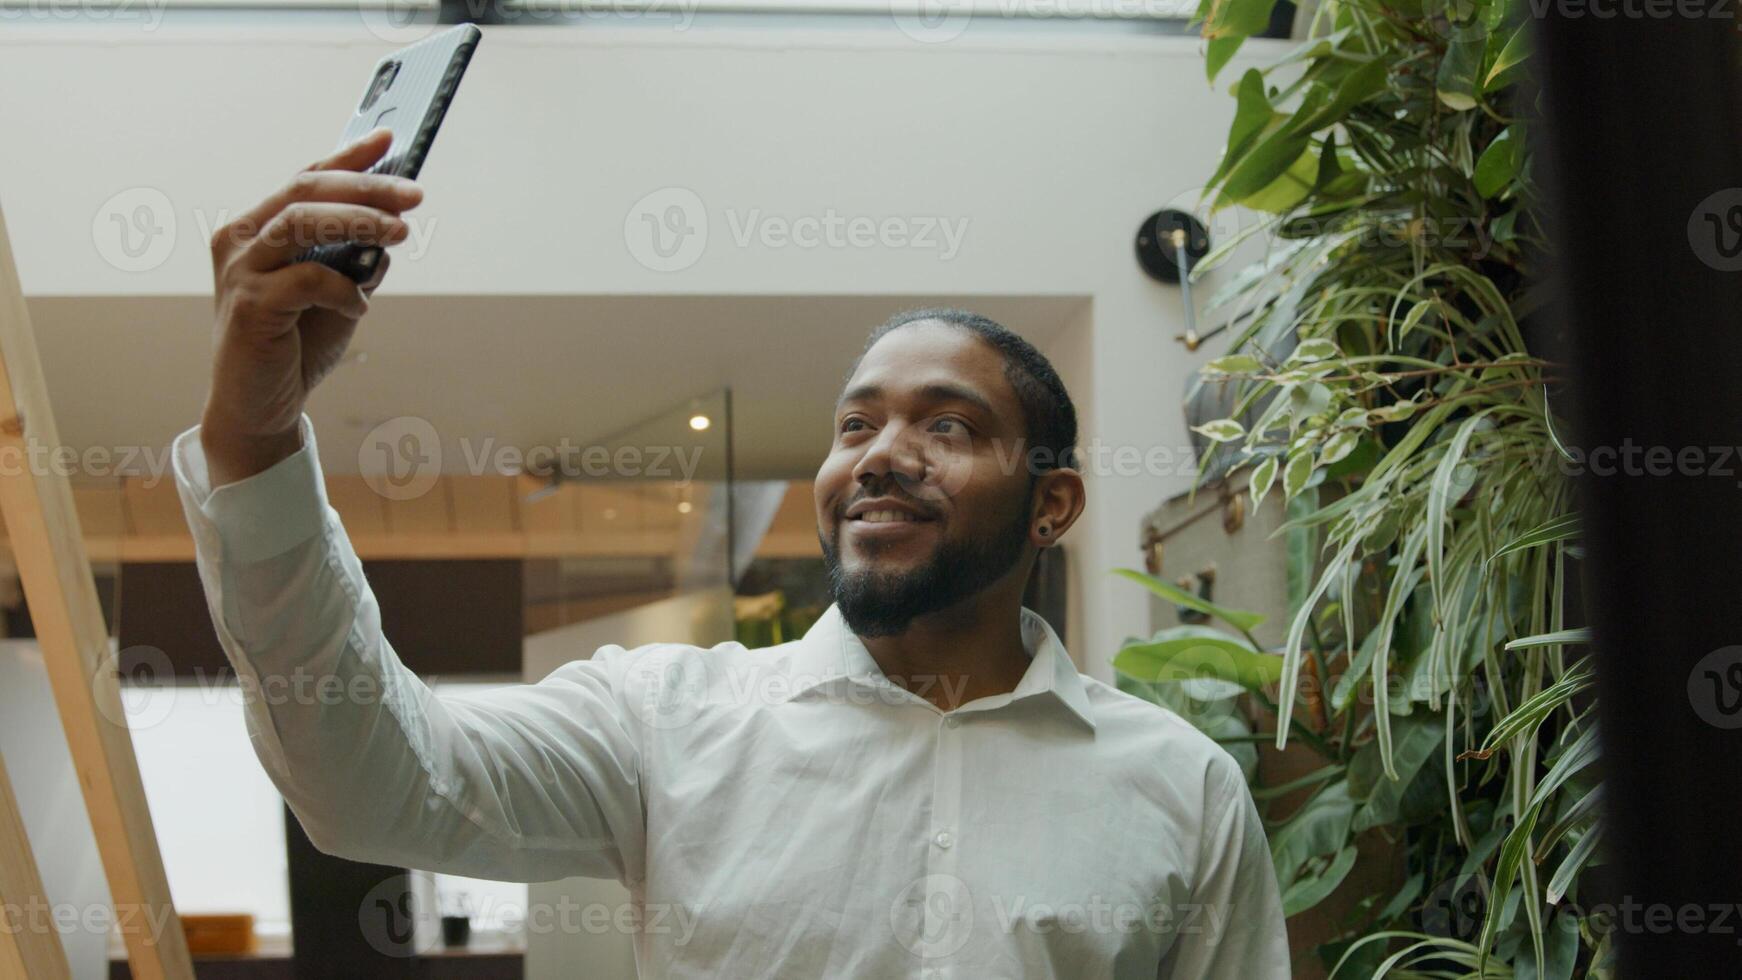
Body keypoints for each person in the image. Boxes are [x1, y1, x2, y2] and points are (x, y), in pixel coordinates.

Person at [175, 129, 1289, 978]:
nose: (880, 456)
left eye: (945, 425)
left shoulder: (1175, 785)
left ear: (1051, 505)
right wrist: (253, 436)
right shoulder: (662, 722)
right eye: (855, 425)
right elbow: (371, 786)